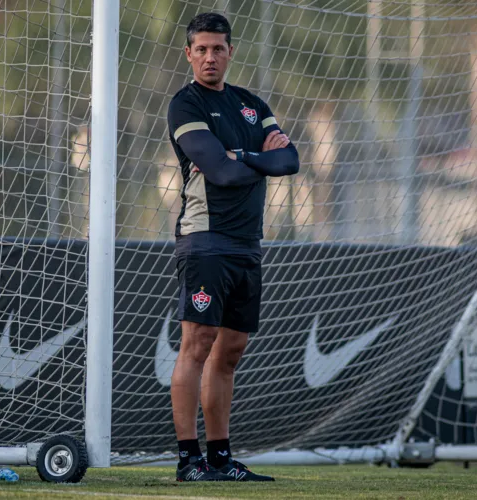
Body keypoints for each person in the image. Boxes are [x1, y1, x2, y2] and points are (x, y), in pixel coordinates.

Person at [166, 12, 300, 482]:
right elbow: (218, 173)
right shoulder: (185, 105)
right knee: (197, 344)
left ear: (230, 52)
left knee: (232, 350)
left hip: (247, 243)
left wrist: (241, 155)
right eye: (200, 49)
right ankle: (189, 460)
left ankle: (221, 458)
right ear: (188, 54)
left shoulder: (250, 103)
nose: (209, 57)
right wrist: (258, 159)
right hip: (205, 239)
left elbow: (291, 160)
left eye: (217, 48)